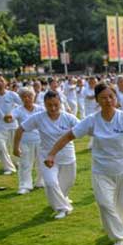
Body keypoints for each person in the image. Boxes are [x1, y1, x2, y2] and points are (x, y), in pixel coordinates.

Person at [45, 82, 123, 245]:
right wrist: (52, 153)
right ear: (97, 100)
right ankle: (121, 237)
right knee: (104, 204)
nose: (108, 100)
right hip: (101, 170)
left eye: (111, 97)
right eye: (103, 98)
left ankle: (116, 228)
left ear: (116, 98)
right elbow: (69, 136)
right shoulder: (91, 120)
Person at [15, 91, 79, 219]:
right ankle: (63, 208)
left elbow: (83, 128)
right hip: (47, 157)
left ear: (60, 103)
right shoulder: (38, 117)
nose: (53, 108)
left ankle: (61, 199)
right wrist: (15, 147)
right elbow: (20, 129)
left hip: (68, 157)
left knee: (66, 184)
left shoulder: (69, 117)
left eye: (56, 105)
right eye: (49, 105)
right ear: (44, 104)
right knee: (50, 183)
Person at [12, 87, 45, 194]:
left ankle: (40, 182)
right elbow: (12, 116)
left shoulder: (40, 109)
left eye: (29, 96)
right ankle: (25, 185)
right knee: (25, 164)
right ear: (21, 98)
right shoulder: (18, 110)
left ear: (33, 96)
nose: (27, 99)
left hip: (40, 140)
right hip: (25, 141)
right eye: (24, 97)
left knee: (42, 163)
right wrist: (8, 117)